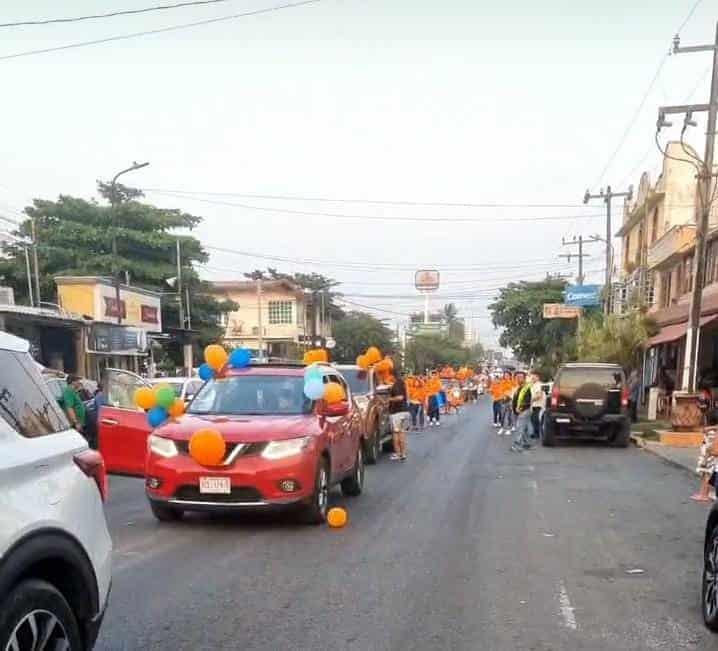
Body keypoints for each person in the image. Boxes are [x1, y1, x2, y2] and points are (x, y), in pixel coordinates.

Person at [692, 415, 718, 502]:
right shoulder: (713, 431)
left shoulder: (712, 433)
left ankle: (704, 494)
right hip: (709, 456)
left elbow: (710, 447)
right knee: (708, 475)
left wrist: (706, 458)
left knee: (707, 475)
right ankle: (705, 493)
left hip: (709, 457)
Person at [388, 372, 410, 461]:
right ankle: (403, 454)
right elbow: (406, 396)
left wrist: (389, 399)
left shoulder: (396, 385)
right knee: (402, 433)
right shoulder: (403, 384)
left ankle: (397, 454)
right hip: (405, 411)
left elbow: (400, 397)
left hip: (397, 412)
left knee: (396, 433)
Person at [511, 373, 534, 452]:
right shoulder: (519, 388)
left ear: (524, 379)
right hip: (518, 411)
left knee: (519, 428)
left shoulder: (527, 388)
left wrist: (520, 408)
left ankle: (517, 445)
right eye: (517, 377)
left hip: (524, 411)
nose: (518, 379)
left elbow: (528, 400)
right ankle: (526, 444)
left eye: (520, 377)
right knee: (523, 428)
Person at [529, 371, 545, 440]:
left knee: (535, 419)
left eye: (534, 377)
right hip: (535, 404)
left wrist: (531, 400)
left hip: (538, 405)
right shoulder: (533, 384)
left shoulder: (538, 385)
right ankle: (535, 433)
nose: (532, 378)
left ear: (538, 377)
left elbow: (539, 395)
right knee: (533, 419)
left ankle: (537, 434)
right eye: (531, 377)